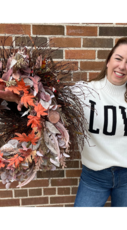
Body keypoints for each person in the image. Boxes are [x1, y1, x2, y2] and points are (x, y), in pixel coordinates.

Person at [70, 37, 127, 207]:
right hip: (93, 177)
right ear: (108, 61)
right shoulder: (84, 92)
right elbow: (46, 99)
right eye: (118, 58)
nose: (122, 66)